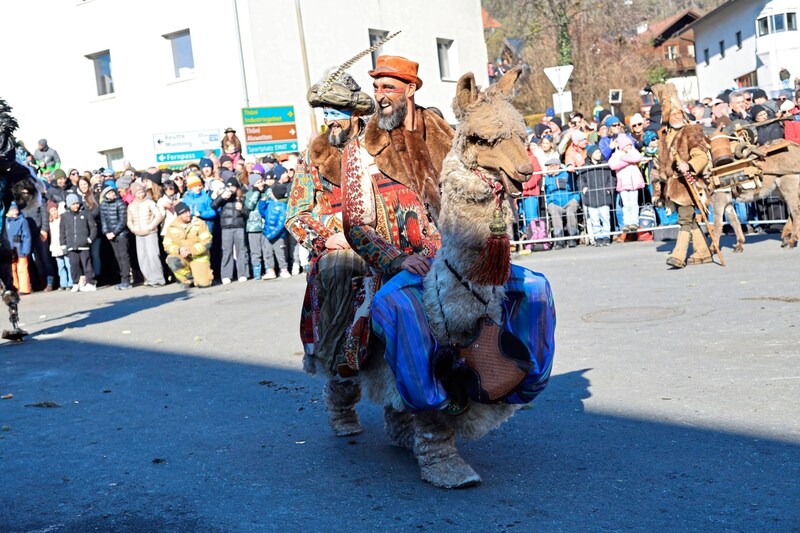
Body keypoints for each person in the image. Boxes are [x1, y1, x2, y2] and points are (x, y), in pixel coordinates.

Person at [285, 64, 375, 435]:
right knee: (341, 291)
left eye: (335, 112)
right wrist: (327, 237)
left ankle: (403, 409)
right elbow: (296, 213)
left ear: (355, 114)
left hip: (385, 247)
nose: (328, 119)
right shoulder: (315, 154)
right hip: (339, 254)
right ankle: (341, 405)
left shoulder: (381, 147)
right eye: (324, 112)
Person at [653, 86, 712, 269]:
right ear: (667, 116)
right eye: (673, 114)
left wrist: (690, 165)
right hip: (673, 185)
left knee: (685, 219)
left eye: (679, 113)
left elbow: (701, 155)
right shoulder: (664, 135)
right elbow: (659, 164)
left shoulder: (691, 130)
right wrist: (658, 189)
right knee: (689, 219)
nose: (677, 117)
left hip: (690, 182)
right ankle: (703, 253)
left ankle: (678, 256)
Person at [163, 202, 213, 288]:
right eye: (185, 213)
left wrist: (191, 250)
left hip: (199, 257)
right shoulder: (171, 227)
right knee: (172, 260)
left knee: (204, 284)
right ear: (179, 215)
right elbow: (167, 245)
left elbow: (207, 241)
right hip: (182, 256)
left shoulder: (200, 223)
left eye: (189, 211)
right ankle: (188, 278)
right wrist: (179, 250)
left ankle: (199, 275)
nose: (189, 214)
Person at [126, 181, 165, 286]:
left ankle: (158, 279)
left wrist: (150, 226)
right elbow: (129, 220)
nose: (141, 194)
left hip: (150, 233)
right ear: (134, 194)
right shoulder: (131, 206)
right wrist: (133, 228)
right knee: (142, 258)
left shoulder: (150, 202)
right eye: (138, 193)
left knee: (153, 256)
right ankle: (149, 279)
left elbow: (159, 215)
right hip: (138, 234)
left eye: (142, 192)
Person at [212, 175, 248, 283]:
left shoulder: (241, 198)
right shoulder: (223, 198)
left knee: (241, 250)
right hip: (226, 227)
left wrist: (241, 210)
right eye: (229, 187)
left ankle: (243, 273)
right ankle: (226, 275)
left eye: (233, 187)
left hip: (239, 226)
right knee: (227, 251)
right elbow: (213, 205)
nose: (231, 189)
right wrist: (222, 197)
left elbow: (247, 213)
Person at [577, 145, 614, 246]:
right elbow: (580, 179)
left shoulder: (605, 165)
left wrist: (609, 189)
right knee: (594, 219)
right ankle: (598, 237)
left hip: (604, 195)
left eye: (599, 152)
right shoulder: (585, 167)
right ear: (591, 154)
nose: (599, 154)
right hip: (591, 197)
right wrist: (583, 188)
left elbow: (611, 178)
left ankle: (606, 236)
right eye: (596, 152)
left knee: (605, 217)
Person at [60, 193, 97, 292]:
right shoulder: (64, 216)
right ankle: (76, 283)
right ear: (68, 205)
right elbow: (62, 231)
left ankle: (91, 282)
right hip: (71, 245)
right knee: (74, 264)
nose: (75, 206)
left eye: (77, 203)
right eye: (73, 204)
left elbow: (93, 228)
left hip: (84, 245)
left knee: (87, 264)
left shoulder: (85, 214)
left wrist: (89, 239)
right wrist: (63, 245)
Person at [608, 134, 645, 233]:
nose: (629, 147)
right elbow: (612, 165)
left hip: (634, 183)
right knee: (626, 204)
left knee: (634, 203)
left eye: (630, 145)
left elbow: (637, 158)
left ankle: (634, 222)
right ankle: (627, 223)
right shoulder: (616, 154)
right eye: (627, 145)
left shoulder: (633, 152)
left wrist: (624, 159)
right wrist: (628, 160)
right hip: (623, 183)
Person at [99, 185, 132, 290]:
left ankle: (126, 280)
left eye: (113, 192)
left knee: (124, 256)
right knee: (117, 257)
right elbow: (103, 220)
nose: (112, 194)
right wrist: (106, 232)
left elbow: (123, 220)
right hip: (110, 235)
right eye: (109, 193)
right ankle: (122, 278)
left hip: (121, 234)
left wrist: (114, 232)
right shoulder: (103, 205)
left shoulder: (120, 203)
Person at [543, 157, 580, 248]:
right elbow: (547, 192)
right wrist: (550, 202)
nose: (549, 169)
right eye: (548, 167)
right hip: (555, 202)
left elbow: (577, 174)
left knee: (571, 211)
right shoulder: (547, 178)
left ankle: (572, 237)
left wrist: (576, 199)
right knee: (554, 212)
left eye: (551, 166)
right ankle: (559, 240)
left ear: (557, 166)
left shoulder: (567, 173)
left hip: (570, 200)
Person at [243, 165, 268, 280]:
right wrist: (256, 193)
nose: (261, 184)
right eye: (258, 182)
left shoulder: (267, 192)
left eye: (261, 181)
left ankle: (269, 269)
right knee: (255, 251)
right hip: (253, 227)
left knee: (266, 249)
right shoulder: (249, 194)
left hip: (264, 225)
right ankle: (257, 272)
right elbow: (249, 206)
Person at [4, 202, 31, 294]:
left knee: (22, 269)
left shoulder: (22, 221)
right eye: (12, 210)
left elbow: (26, 236)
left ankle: (24, 289)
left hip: (20, 248)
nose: (14, 212)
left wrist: (26, 249)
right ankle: (14, 287)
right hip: (9, 250)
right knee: (12, 270)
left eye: (16, 210)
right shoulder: (6, 221)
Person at [48, 201, 72, 290]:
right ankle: (63, 283)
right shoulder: (50, 222)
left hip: (63, 244)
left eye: (55, 210)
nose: (54, 212)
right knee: (60, 266)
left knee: (68, 264)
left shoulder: (62, 219)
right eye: (51, 211)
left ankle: (71, 282)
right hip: (55, 246)